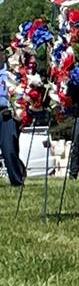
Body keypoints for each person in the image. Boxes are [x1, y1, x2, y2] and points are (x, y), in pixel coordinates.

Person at [0, 52, 25, 187]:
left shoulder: (11, 73)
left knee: (9, 149)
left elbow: (20, 91)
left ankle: (17, 180)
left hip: (6, 114)